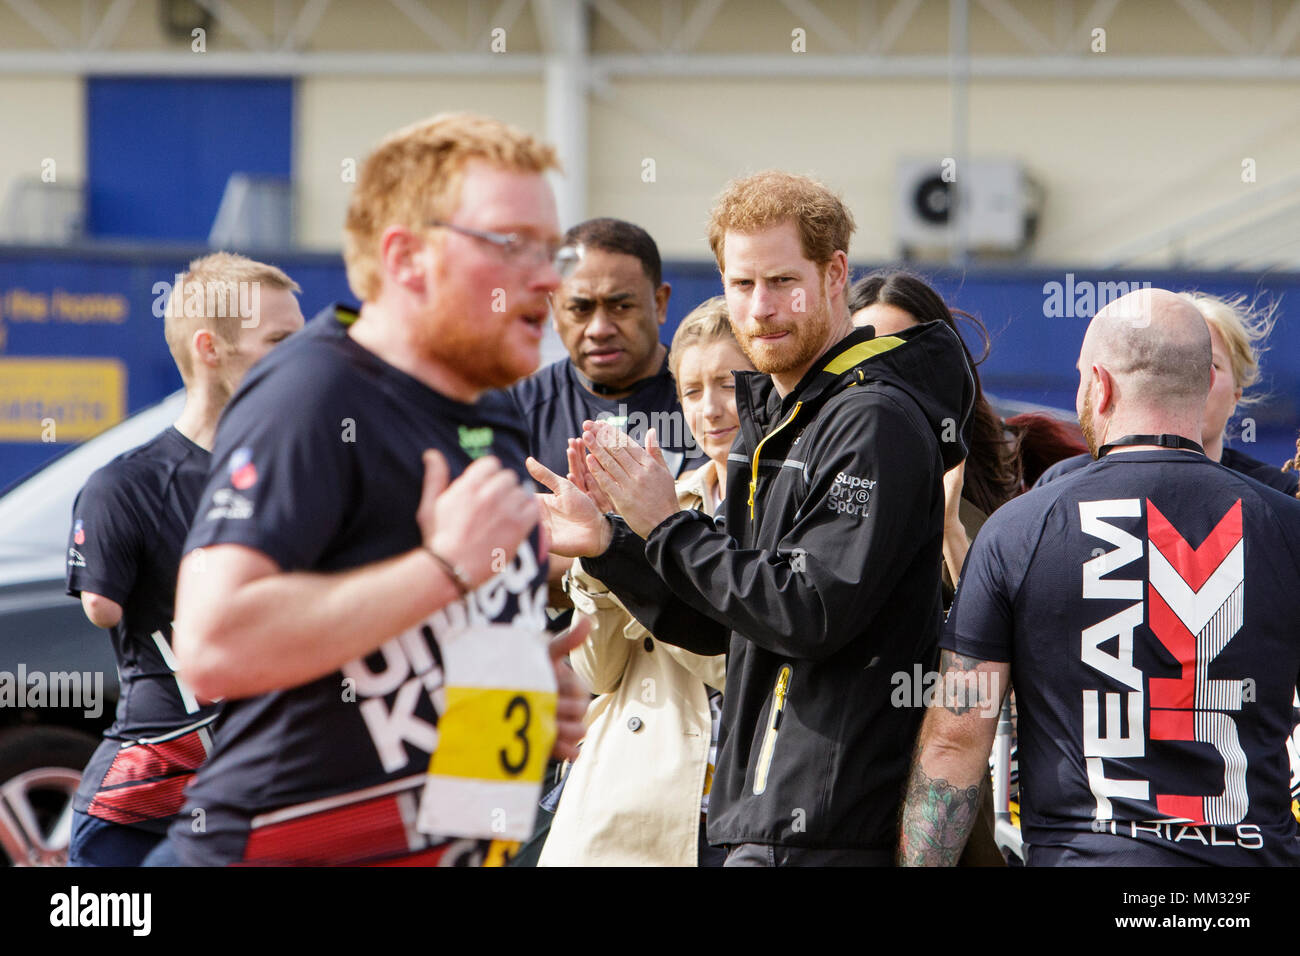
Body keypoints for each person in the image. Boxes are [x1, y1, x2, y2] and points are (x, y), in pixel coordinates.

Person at [154, 113, 587, 866]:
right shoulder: (315, 394)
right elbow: (213, 645)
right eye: (511, 244)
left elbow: (453, 751)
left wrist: (518, 695)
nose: (549, 276)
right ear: (407, 257)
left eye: (553, 249)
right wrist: (441, 569)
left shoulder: (490, 411)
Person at [534, 170, 975, 866]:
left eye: (782, 281)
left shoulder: (874, 420)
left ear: (835, 276)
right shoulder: (776, 423)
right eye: (742, 285)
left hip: (828, 831)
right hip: (759, 825)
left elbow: (811, 610)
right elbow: (723, 625)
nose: (761, 308)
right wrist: (610, 546)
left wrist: (667, 524)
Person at [899, 288, 1300, 866]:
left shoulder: (1022, 529)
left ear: (1101, 385)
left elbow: (954, 742)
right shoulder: (1286, 526)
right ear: (1201, 384)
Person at [64, 252, 304, 866]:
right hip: (148, 796)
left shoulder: (310, 474)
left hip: (282, 795)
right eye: (279, 341)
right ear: (210, 348)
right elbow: (102, 608)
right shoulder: (125, 484)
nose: (304, 361)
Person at [537, 297, 746, 867]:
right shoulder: (657, 499)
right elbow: (598, 673)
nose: (710, 409)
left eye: (728, 383)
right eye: (692, 391)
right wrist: (602, 549)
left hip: (739, 813)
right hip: (623, 810)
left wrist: (632, 558)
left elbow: (743, 668)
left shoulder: (794, 507)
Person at [1037, 292, 1297, 496]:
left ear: (1235, 397)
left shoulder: (1277, 493)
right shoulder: (1063, 482)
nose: (1191, 380)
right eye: (1177, 364)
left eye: (1210, 365)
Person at [509, 217, 696, 483]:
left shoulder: (713, 404)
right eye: (580, 309)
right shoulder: (516, 412)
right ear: (555, 311)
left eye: (620, 307)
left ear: (660, 304)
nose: (599, 329)